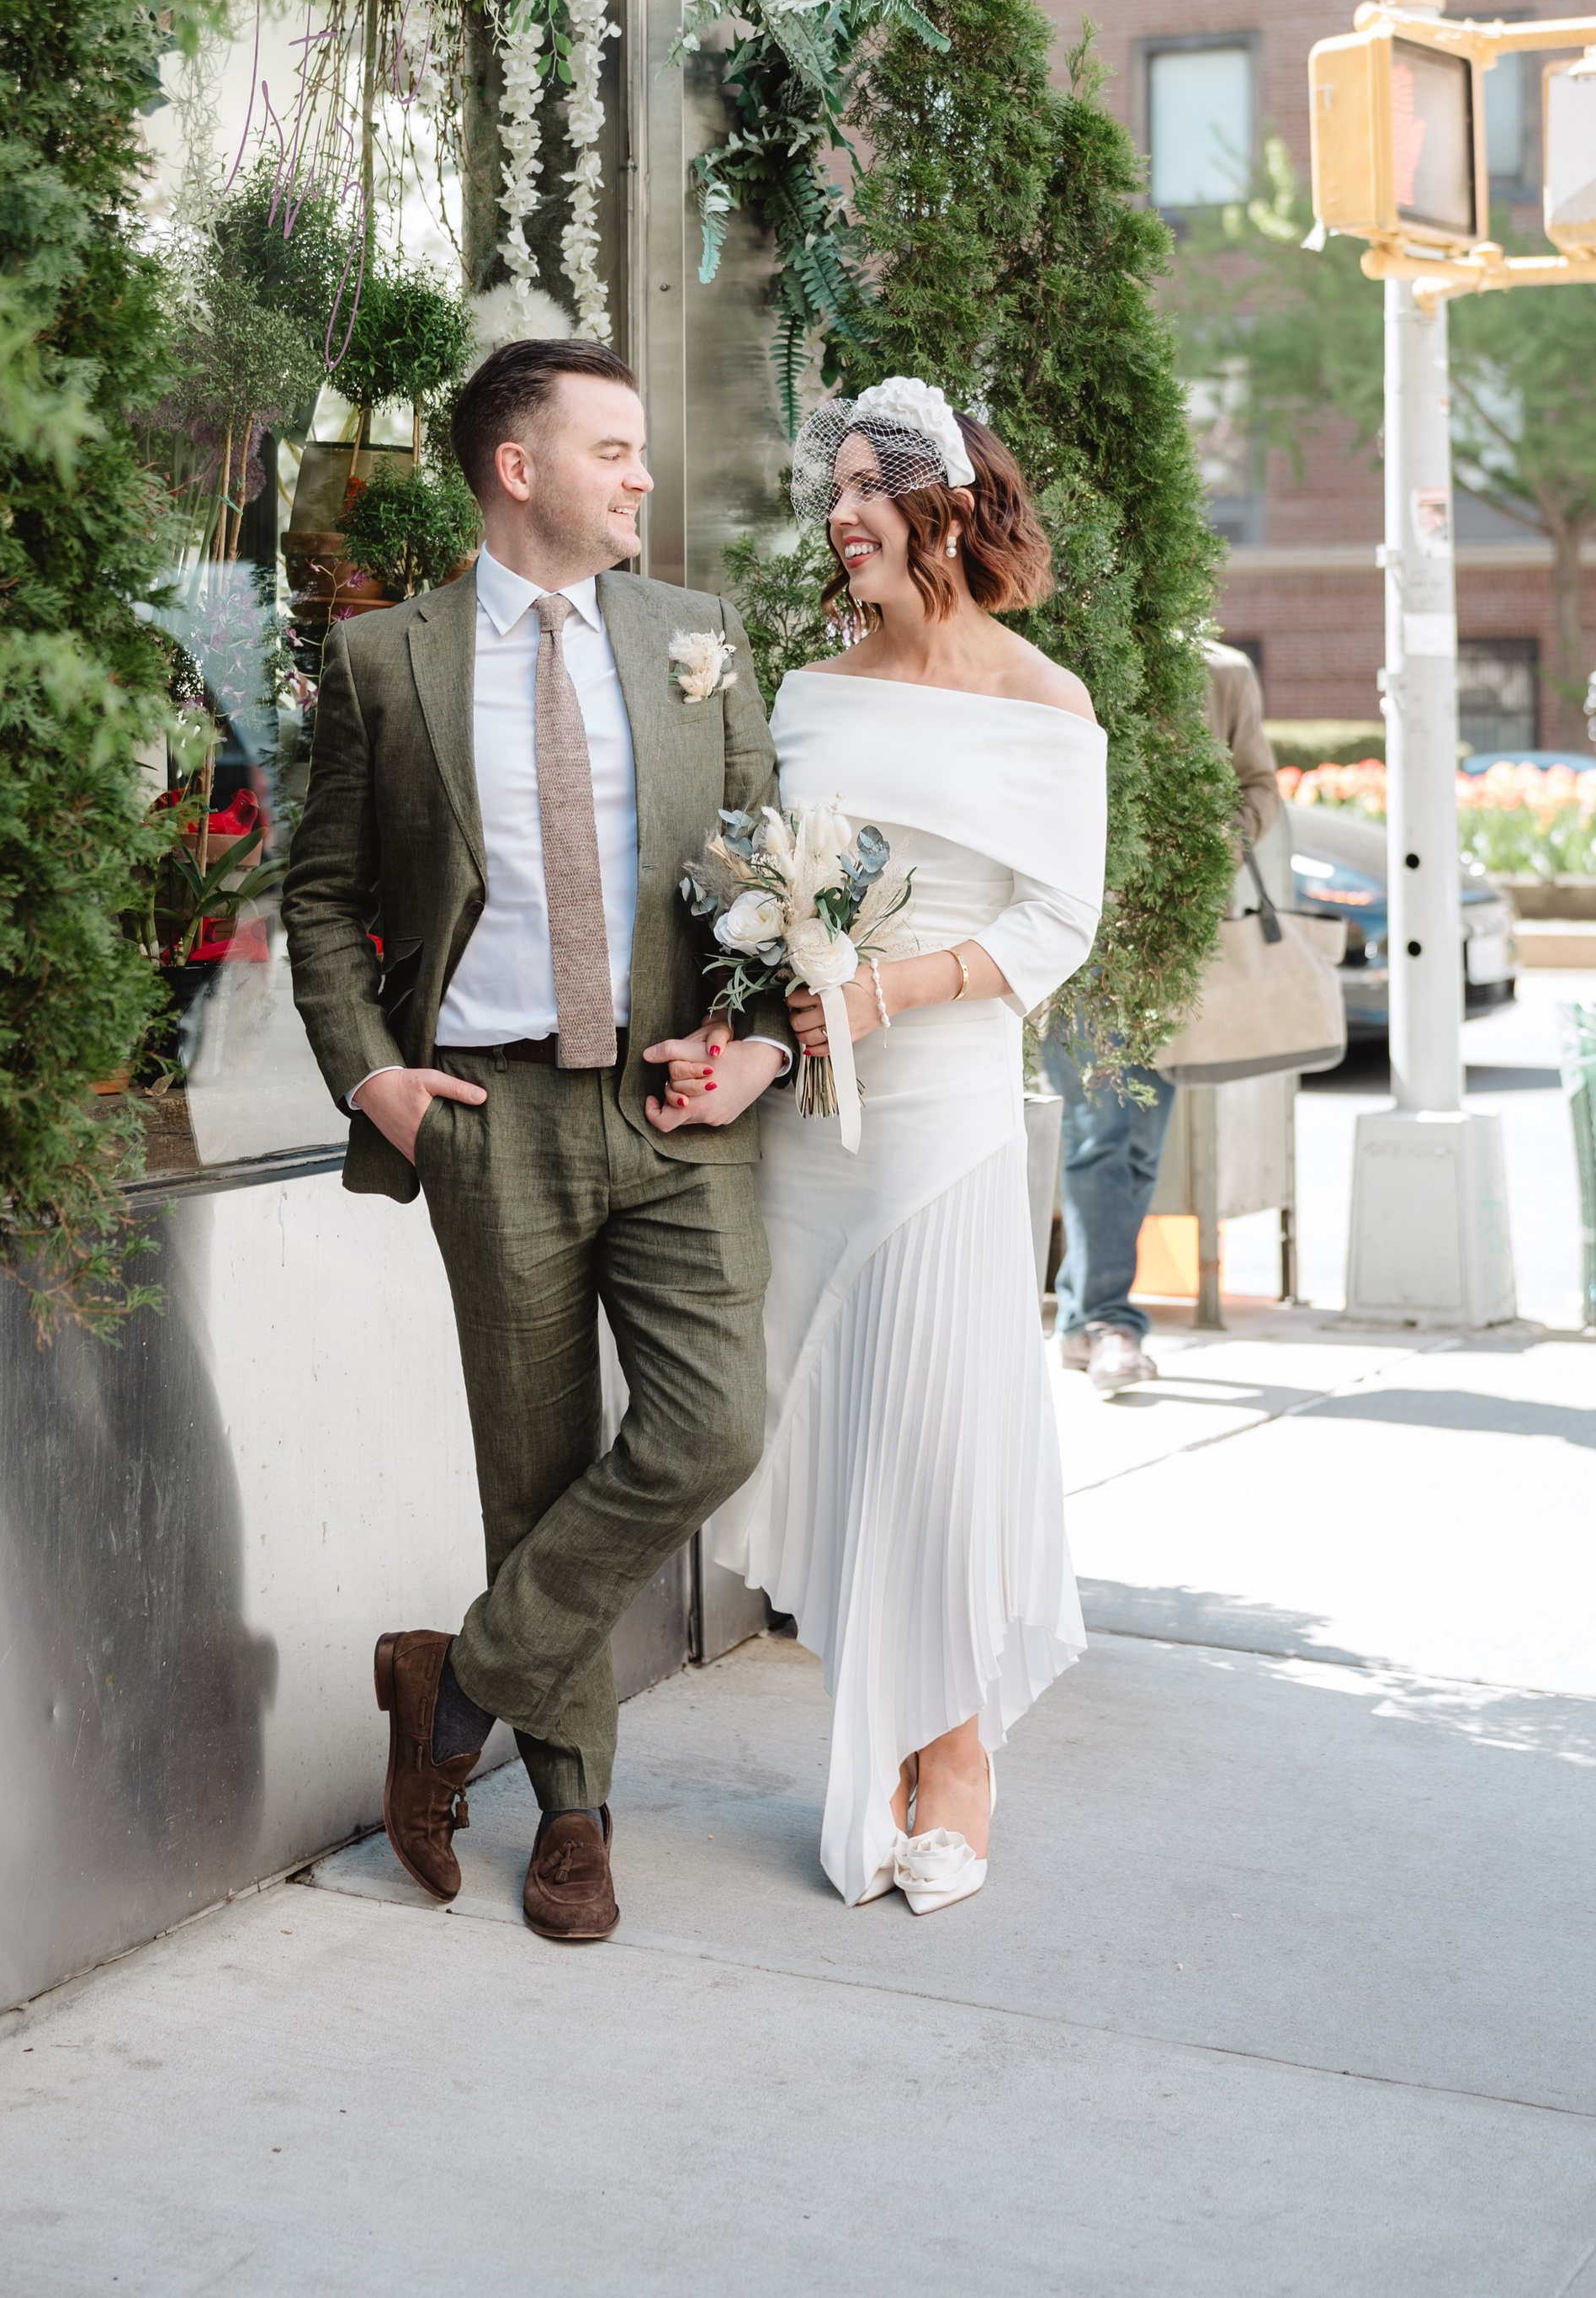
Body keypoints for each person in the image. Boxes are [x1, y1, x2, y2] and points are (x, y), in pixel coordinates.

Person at [284, 340, 793, 1946]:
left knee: (713, 1429)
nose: (645, 476)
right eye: (616, 449)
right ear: (521, 469)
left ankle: (455, 1692)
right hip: (487, 1114)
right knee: (536, 1463)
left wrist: (760, 1041)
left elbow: (771, 874)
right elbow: (317, 896)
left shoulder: (697, 638)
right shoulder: (386, 660)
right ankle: (573, 1814)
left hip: (671, 1106)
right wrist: (372, 1075)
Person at [708, 380, 1105, 1911]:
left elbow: (1055, 920)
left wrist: (892, 988)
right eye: (834, 488)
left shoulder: (1041, 701)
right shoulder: (806, 696)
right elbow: (763, 892)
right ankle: (864, 1731)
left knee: (940, 1427)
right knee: (846, 1422)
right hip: (817, 1120)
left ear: (954, 503)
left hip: (940, 1101)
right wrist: (778, 988)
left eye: (873, 484)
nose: (841, 510)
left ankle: (955, 1750)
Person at [1039, 640, 1286, 1393]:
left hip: (1171, 938)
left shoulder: (1223, 672)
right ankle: (1110, 1321)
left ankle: (1083, 1319)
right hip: (1082, 935)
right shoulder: (1069, 656)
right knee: (1101, 1134)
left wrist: (1205, 849)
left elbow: (1261, 788)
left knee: (1137, 1142)